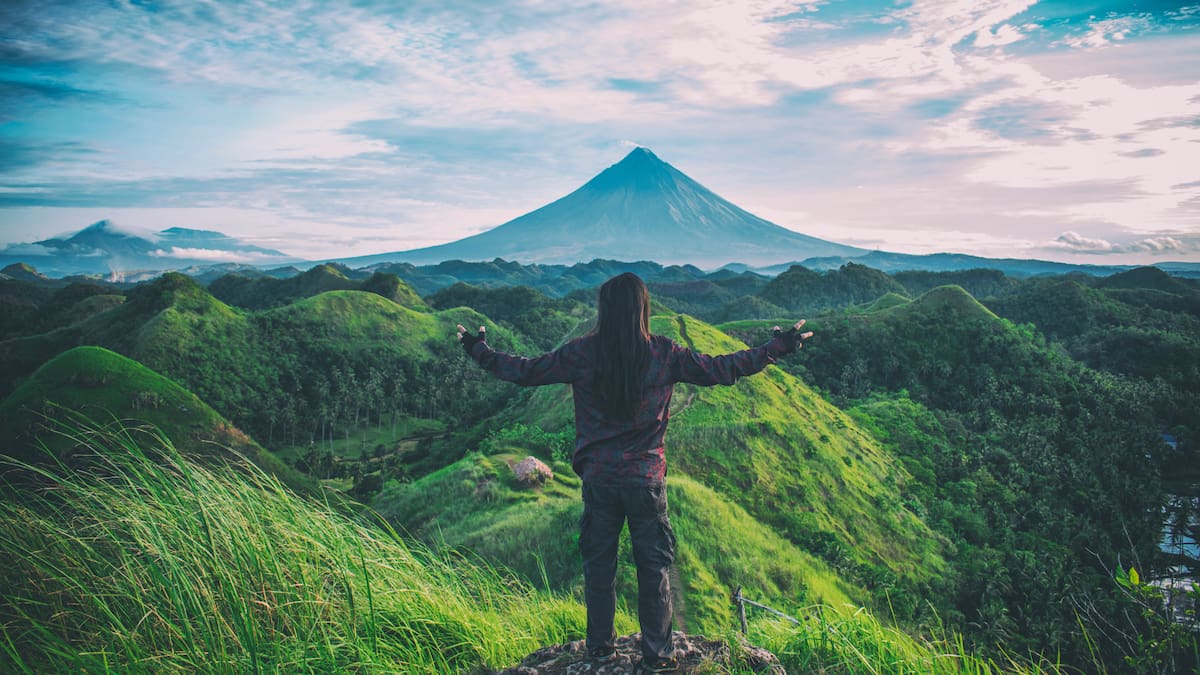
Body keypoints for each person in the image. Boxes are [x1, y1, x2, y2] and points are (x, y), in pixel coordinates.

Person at [456, 272, 811, 674]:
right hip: (645, 481)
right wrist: (774, 349)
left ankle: (600, 651)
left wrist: (479, 351)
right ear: (643, 310)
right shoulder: (664, 353)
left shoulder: (582, 353)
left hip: (600, 481)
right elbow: (721, 369)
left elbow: (526, 371)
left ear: (604, 311)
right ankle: (658, 656)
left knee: (599, 568)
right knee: (654, 568)